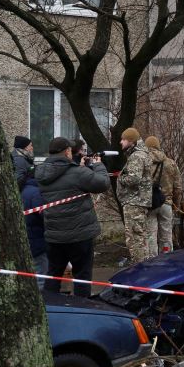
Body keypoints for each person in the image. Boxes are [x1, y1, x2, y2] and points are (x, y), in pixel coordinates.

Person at [35, 137, 111, 297]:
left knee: (53, 274)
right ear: (68, 151)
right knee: (82, 276)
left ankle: (51, 309)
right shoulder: (77, 173)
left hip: (54, 236)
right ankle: (81, 310)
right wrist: (98, 164)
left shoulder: (41, 174)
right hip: (80, 235)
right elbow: (102, 183)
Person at [117, 127, 156, 265]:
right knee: (140, 237)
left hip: (135, 202)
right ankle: (144, 267)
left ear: (131, 141)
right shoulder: (141, 154)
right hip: (138, 201)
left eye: (124, 139)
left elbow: (134, 179)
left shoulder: (137, 156)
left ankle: (139, 269)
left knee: (134, 240)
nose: (121, 142)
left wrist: (120, 178)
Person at [144, 135, 183, 256]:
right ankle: (166, 260)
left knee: (150, 235)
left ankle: (152, 261)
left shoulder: (143, 162)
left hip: (150, 204)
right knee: (166, 236)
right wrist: (176, 204)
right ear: (158, 146)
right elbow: (178, 188)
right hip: (166, 203)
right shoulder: (171, 163)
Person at [20, 174, 48, 288]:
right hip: (37, 240)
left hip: (29, 237)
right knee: (41, 275)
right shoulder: (36, 193)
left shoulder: (23, 190)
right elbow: (44, 216)